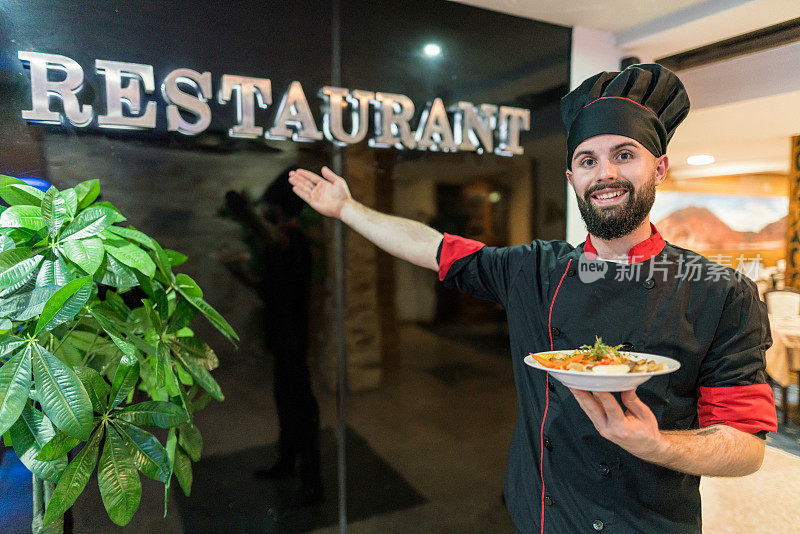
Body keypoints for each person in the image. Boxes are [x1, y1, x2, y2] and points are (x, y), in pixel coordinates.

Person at [287, 64, 777, 532]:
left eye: (624, 154)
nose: (604, 173)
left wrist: (657, 445)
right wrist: (348, 210)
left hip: (644, 522)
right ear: (572, 180)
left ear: (660, 167)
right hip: (538, 514)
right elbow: (431, 247)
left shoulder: (720, 291)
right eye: (588, 160)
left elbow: (746, 447)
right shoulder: (535, 269)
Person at [222, 167, 323, 508]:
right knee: (286, 403)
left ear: (279, 210)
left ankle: (313, 482)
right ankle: (286, 462)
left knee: (302, 409)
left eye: (270, 208)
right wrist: (243, 276)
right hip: (283, 337)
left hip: (293, 340)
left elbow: (279, 289)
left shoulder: (293, 243)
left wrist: (245, 276)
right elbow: (271, 290)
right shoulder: (283, 243)